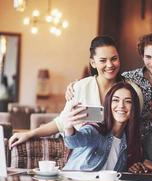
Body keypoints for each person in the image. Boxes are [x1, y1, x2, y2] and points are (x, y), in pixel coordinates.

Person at [9, 36, 143, 149]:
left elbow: (136, 127)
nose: (110, 65)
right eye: (103, 60)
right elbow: (62, 122)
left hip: (118, 156)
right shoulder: (80, 88)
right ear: (93, 62)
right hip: (83, 156)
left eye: (114, 58)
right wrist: (30, 134)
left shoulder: (132, 91)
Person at [63, 82, 142, 170]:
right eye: (115, 100)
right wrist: (68, 127)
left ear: (134, 107)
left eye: (128, 101)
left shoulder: (128, 143)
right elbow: (74, 142)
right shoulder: (95, 130)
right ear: (108, 104)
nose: (121, 106)